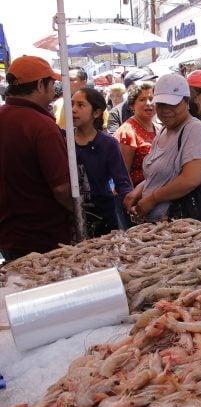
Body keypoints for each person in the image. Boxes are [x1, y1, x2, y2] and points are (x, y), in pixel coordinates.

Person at [0, 56, 73, 261]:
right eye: (52, 84)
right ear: (41, 85)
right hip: (43, 238)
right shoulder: (41, 125)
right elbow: (61, 187)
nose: (54, 90)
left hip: (9, 234)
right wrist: (75, 211)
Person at [123, 73, 201, 223]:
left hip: (178, 225)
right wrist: (138, 191)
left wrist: (152, 199)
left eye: (173, 104)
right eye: (161, 104)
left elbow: (190, 179)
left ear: (186, 102)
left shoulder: (194, 129)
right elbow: (161, 175)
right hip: (155, 226)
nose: (166, 110)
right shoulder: (164, 130)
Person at [71, 88, 132, 236]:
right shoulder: (63, 140)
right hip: (71, 219)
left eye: (81, 105)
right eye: (72, 104)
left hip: (103, 218)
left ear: (96, 113)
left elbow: (122, 182)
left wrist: (131, 204)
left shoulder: (108, 144)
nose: (73, 110)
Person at [114, 81, 157, 187]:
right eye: (142, 99)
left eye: (152, 99)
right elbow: (122, 174)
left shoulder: (160, 128)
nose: (148, 103)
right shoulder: (127, 133)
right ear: (132, 105)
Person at [107, 67, 156, 134]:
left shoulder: (159, 108)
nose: (148, 103)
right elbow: (114, 141)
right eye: (142, 99)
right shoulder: (116, 114)